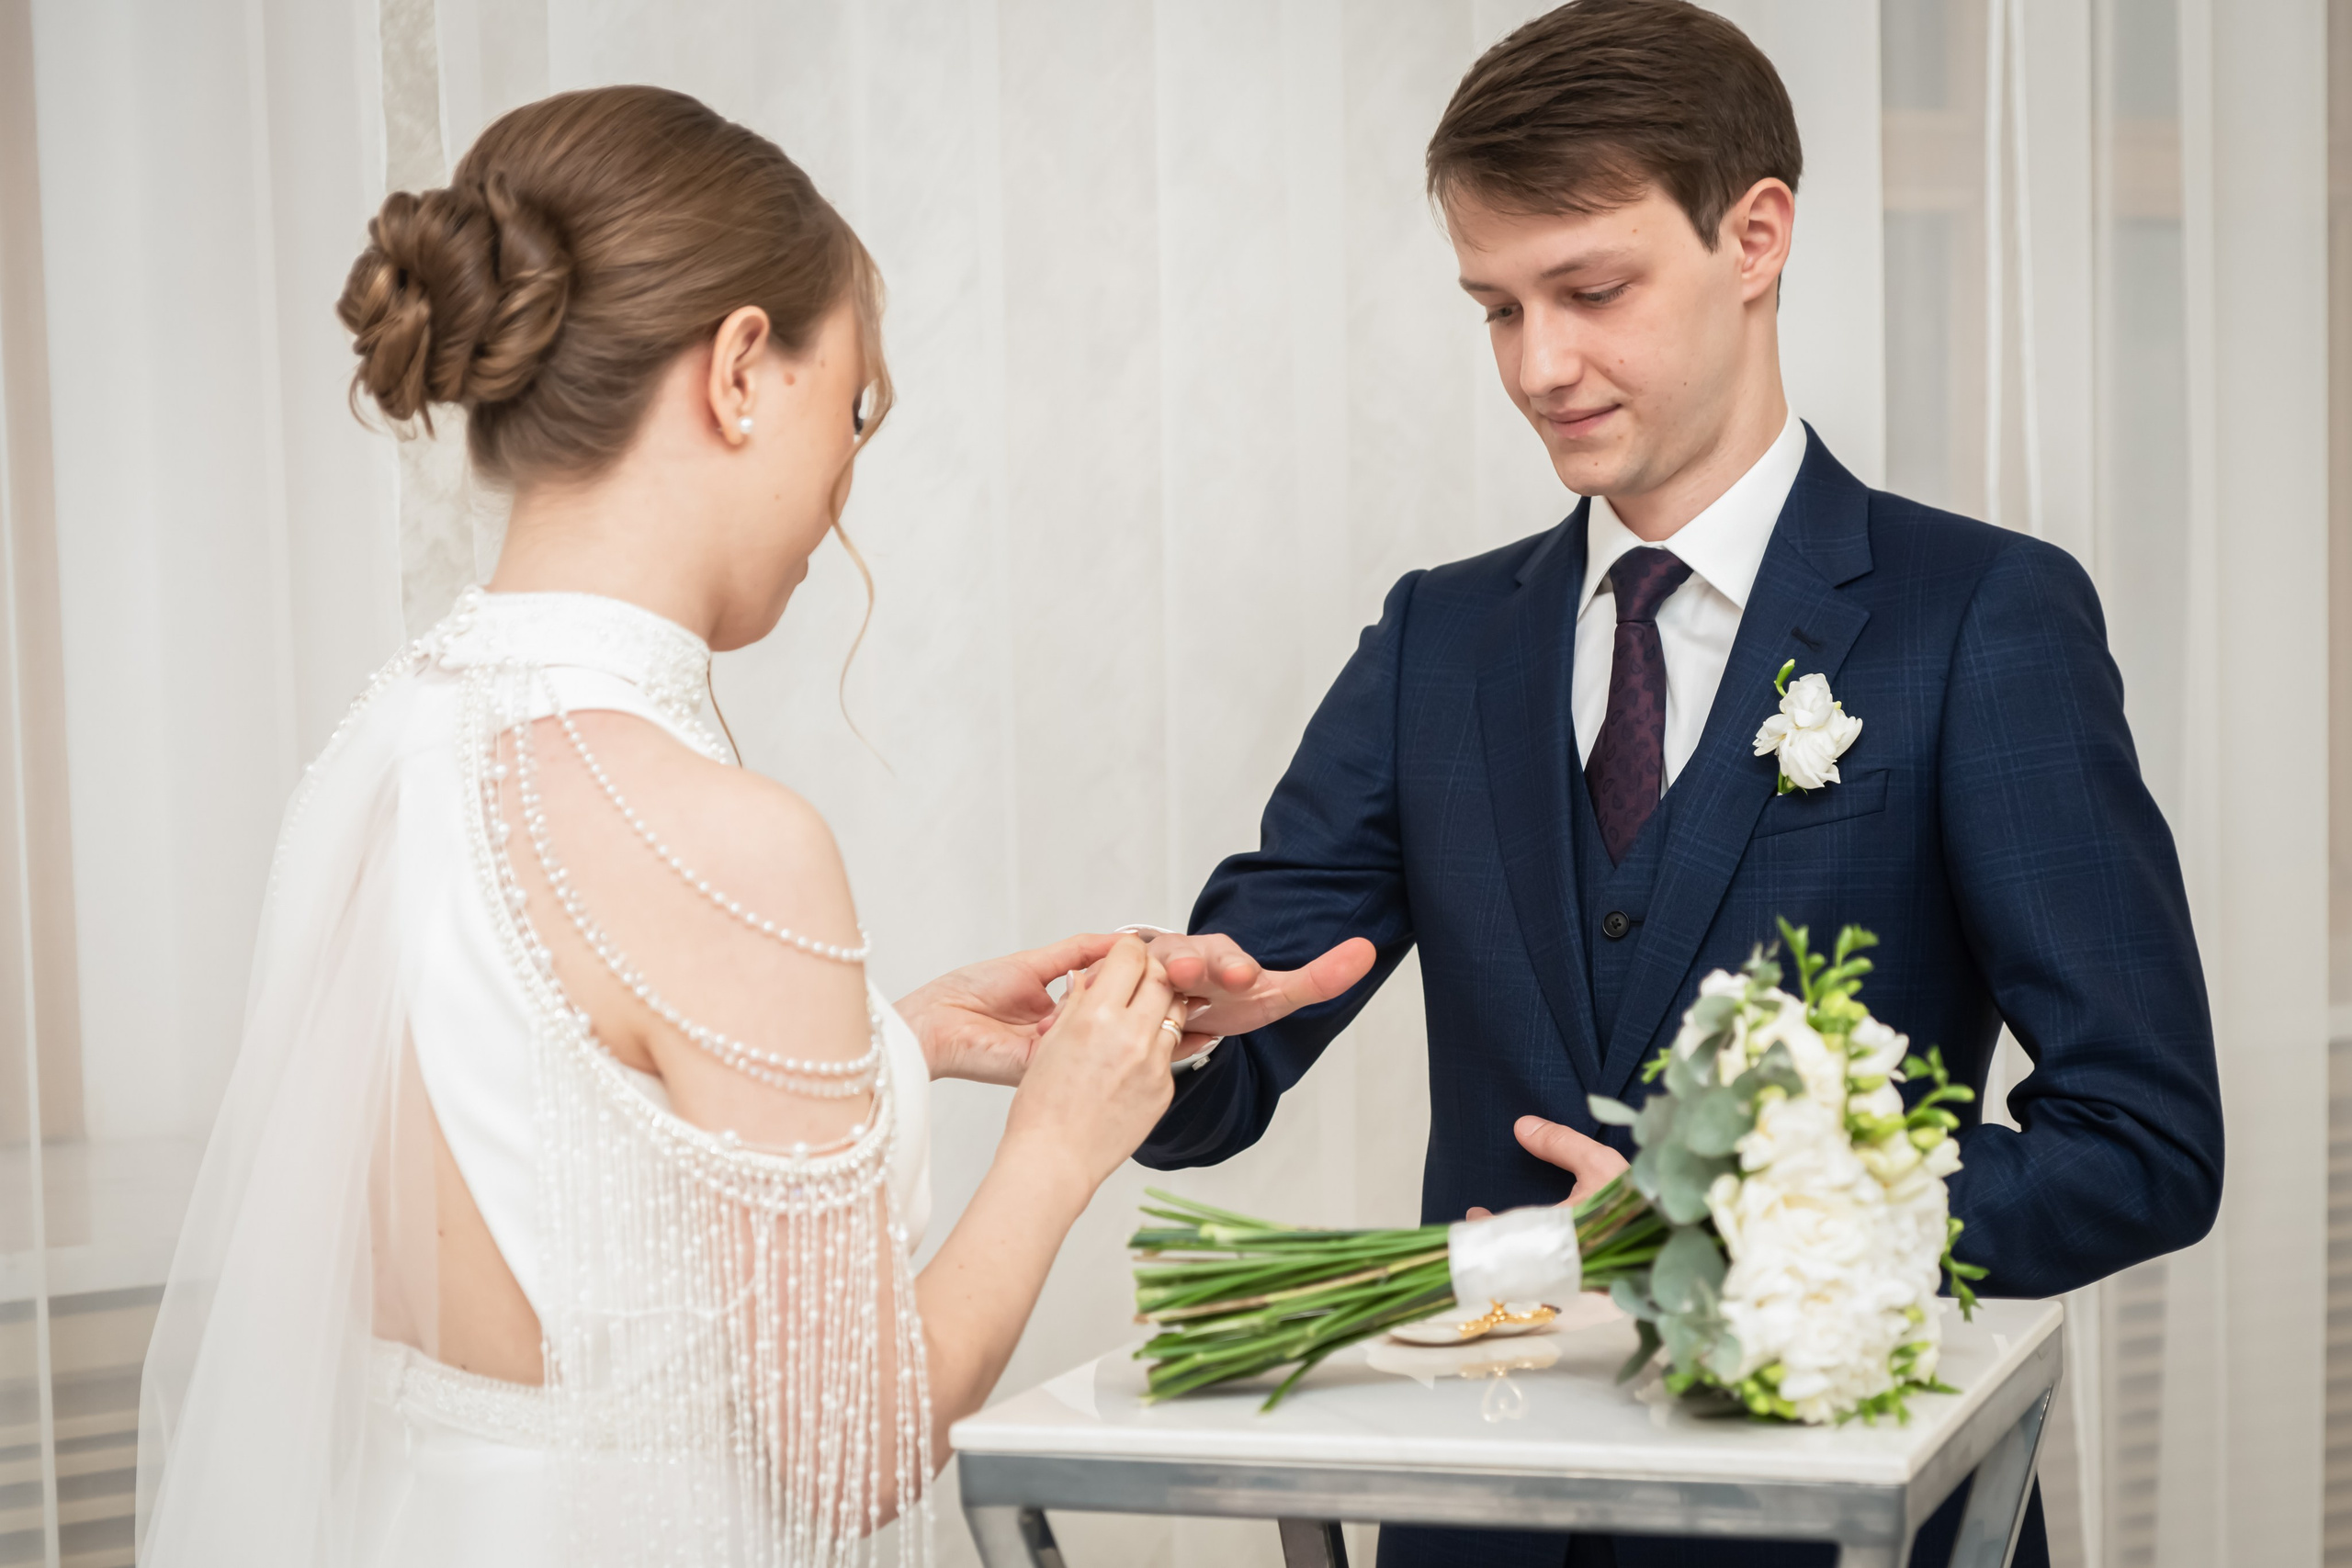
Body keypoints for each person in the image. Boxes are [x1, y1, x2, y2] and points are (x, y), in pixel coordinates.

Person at [1140, 4, 2226, 1566]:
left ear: (1755, 237)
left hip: (1836, 1519)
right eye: (1497, 308)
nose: (1539, 366)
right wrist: (1146, 1026)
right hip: (1481, 1521)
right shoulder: (1438, 641)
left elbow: (2143, 1145)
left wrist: (1771, 1227)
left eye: (1591, 291)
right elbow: (1233, 1041)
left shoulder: (1984, 617)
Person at [134, 85, 1198, 1568]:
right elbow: (848, 1454)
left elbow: (556, 1142)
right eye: (855, 410)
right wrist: (1061, 1141)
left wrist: (896, 1042)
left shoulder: (372, 757)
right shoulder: (724, 837)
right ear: (742, 369)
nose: (844, 490)